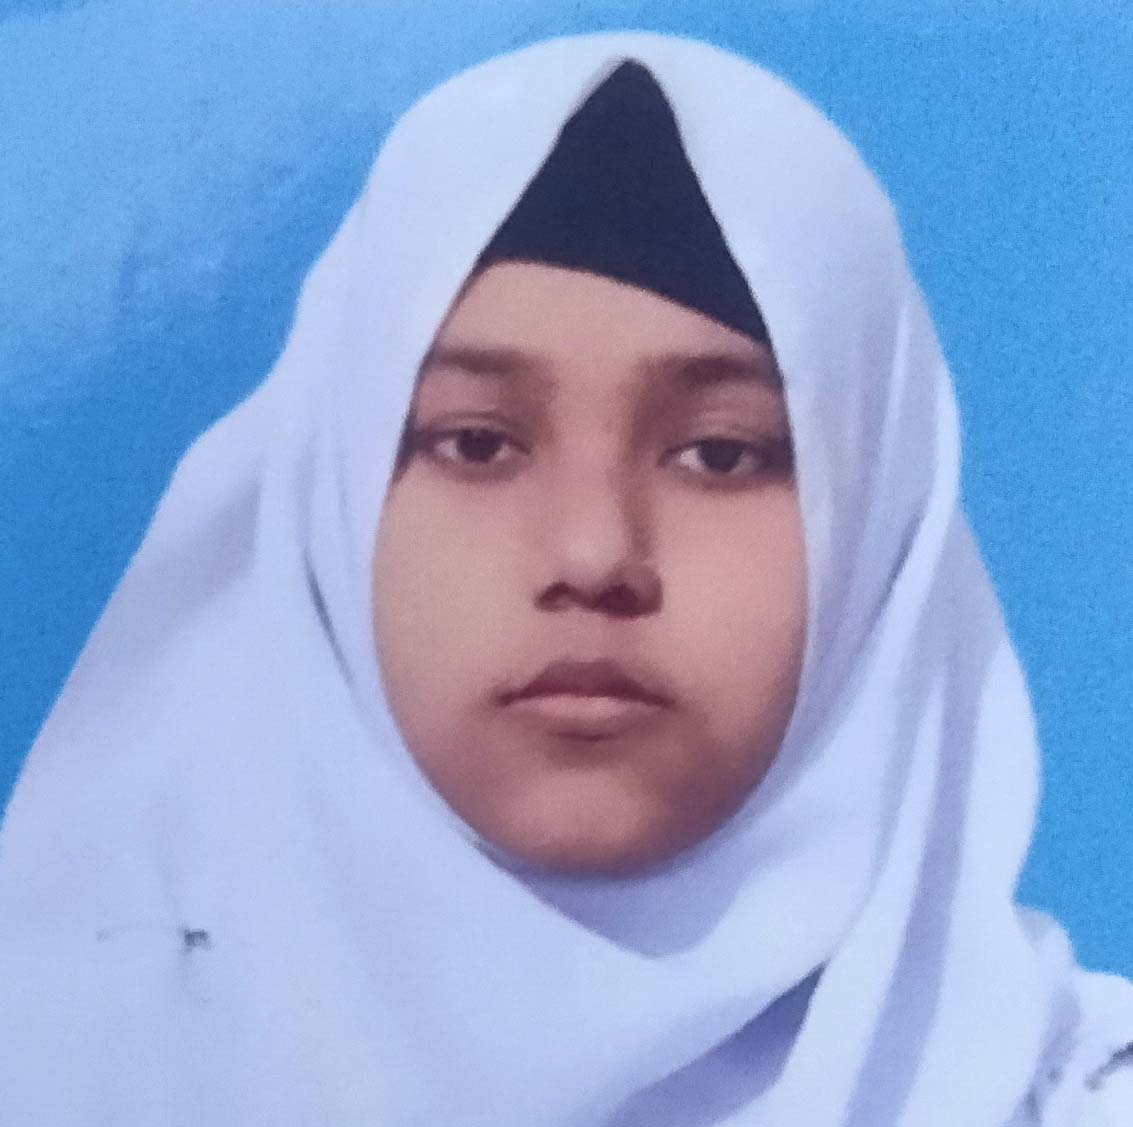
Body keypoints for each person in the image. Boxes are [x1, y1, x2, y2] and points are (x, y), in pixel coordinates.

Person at [0, 30, 1129, 1127]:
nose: (592, 555)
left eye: (719, 453)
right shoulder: (52, 1067)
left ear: (881, 531)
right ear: (327, 510)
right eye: (476, 443)